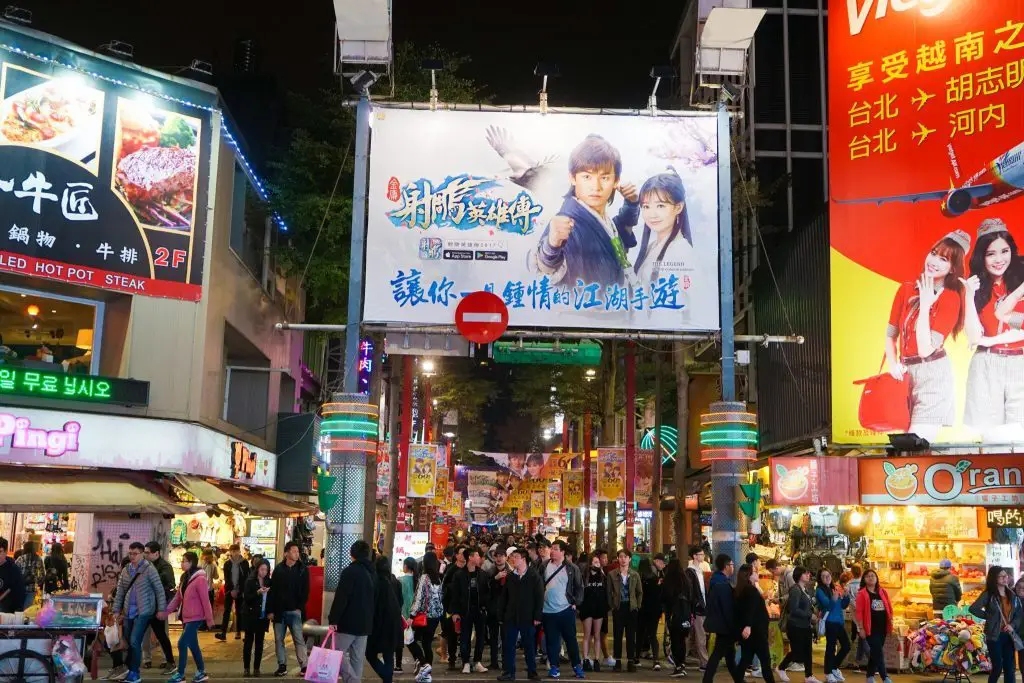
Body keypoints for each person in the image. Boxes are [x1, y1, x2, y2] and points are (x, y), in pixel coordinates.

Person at [883, 230, 969, 442]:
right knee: (902, 447)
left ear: (952, 268)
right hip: (903, 375)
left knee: (916, 445)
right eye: (933, 253)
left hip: (933, 377)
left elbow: (926, 349)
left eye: (944, 259)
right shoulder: (905, 289)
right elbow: (890, 335)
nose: (934, 261)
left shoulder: (951, 298)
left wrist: (925, 306)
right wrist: (893, 364)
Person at [523, 134, 640, 288]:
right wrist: (552, 245)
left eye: (604, 178)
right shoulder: (567, 221)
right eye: (587, 177)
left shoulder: (602, 218)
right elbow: (546, 270)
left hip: (615, 303)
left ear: (616, 181)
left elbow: (615, 239)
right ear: (573, 178)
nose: (596, 186)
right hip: (588, 308)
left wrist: (631, 204)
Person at [960, 219, 1024, 441]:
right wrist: (968, 295)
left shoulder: (1021, 279)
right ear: (981, 257)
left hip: (1021, 363)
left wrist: (993, 338)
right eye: (991, 254)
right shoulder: (975, 287)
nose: (999, 260)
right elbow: (974, 336)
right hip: (987, 365)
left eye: (1004, 251)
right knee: (991, 440)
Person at [112, 542, 168, 683]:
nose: (132, 556)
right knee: (128, 642)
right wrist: (116, 610)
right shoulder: (126, 570)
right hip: (128, 612)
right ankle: (129, 670)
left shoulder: (150, 569)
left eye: (135, 553)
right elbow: (120, 592)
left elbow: (159, 590)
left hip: (144, 612)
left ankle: (135, 673)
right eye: (130, 553)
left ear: (142, 553)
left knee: (135, 641)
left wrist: (161, 609)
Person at [633, 169, 696, 284]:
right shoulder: (652, 246)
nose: (652, 214)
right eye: (646, 207)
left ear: (678, 207)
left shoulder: (682, 251)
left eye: (660, 206)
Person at [327, 540, 376, 683]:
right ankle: (355, 679)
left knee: (336, 654)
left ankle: (353, 681)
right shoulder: (372, 573)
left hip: (348, 623)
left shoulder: (349, 572)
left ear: (351, 554)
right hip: (365, 624)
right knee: (357, 660)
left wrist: (333, 619)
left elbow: (341, 598)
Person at [164, 551, 215, 683]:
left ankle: (180, 674)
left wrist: (209, 619)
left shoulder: (200, 579)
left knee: (182, 643)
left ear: (191, 562)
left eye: (184, 560)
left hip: (196, 618)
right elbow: (177, 598)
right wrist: (165, 611)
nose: (182, 563)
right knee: (193, 645)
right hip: (186, 617)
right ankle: (201, 672)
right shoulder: (185, 578)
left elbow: (205, 600)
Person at [497, 547, 544, 682]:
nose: (513, 559)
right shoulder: (511, 577)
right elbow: (504, 597)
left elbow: (539, 598)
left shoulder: (534, 576)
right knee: (509, 645)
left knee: (529, 646)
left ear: (523, 559)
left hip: (528, 617)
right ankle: (508, 672)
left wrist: (537, 617)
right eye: (512, 557)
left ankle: (532, 672)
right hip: (511, 617)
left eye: (516, 557)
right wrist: (501, 615)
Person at [969, 566, 1023, 683]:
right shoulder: (988, 595)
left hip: (1008, 635)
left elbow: (1018, 614)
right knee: (997, 667)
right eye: (1002, 576)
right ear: (995, 578)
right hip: (994, 636)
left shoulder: (1012, 595)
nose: (1005, 578)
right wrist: (989, 616)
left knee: (1010, 668)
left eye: (1006, 576)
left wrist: (1012, 625)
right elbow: (973, 608)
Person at [541, 540, 585, 679]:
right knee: (552, 641)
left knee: (570, 640)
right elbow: (537, 585)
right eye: (551, 549)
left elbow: (579, 587)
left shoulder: (572, 568)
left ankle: (577, 666)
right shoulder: (543, 566)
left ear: (563, 552)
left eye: (555, 549)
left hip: (566, 610)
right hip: (547, 611)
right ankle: (554, 666)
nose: (552, 551)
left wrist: (575, 602)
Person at [270, 541, 310, 677]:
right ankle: (282, 666)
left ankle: (304, 666)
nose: (296, 554)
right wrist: (271, 610)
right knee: (278, 640)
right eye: (293, 551)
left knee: (298, 639)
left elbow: (306, 591)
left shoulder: (302, 570)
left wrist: (299, 608)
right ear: (286, 553)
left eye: (298, 551)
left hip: (295, 611)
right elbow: (272, 591)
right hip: (279, 611)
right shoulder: (278, 569)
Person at [734, 563, 777, 683]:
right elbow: (750, 610)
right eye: (754, 571)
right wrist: (748, 626)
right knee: (765, 661)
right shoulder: (750, 590)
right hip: (756, 631)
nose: (757, 572)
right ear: (748, 575)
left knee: (746, 659)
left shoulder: (743, 589)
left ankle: (738, 680)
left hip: (752, 631)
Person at [450, 547, 490, 673]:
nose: (479, 558)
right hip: (464, 610)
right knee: (465, 637)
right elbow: (455, 595)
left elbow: (487, 593)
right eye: (477, 555)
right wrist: (454, 612)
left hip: (480, 610)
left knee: (480, 637)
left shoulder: (482, 574)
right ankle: (466, 662)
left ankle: (477, 661)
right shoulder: (459, 575)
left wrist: (485, 607)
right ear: (471, 558)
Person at [776, 566, 817, 683]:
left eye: (808, 573)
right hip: (796, 626)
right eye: (805, 573)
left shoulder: (805, 589)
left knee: (808, 651)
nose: (808, 575)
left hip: (805, 625)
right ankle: (781, 667)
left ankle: (809, 676)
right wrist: (809, 615)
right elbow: (793, 609)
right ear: (799, 575)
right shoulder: (795, 589)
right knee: (797, 652)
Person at [366, 556, 403, 683]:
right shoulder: (394, 581)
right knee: (388, 655)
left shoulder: (375, 581)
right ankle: (387, 678)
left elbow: (373, 604)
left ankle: (386, 677)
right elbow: (400, 601)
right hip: (394, 623)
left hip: (380, 624)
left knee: (370, 654)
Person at [141, 542, 177, 673]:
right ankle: (147, 659)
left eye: (147, 552)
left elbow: (170, 585)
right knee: (145, 633)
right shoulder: (144, 565)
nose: (145, 555)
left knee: (162, 634)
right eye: (144, 552)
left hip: (159, 606)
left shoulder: (165, 567)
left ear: (157, 553)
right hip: (146, 605)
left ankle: (166, 660)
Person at [702, 554, 738, 683]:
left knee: (729, 657)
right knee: (717, 655)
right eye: (732, 565)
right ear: (727, 566)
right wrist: (732, 627)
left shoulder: (716, 579)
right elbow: (726, 608)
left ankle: (739, 680)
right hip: (724, 625)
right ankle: (707, 680)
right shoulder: (722, 583)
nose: (733, 567)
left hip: (720, 624)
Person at [409, 552, 445, 683]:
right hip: (435, 617)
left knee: (410, 639)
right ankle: (427, 672)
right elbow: (440, 596)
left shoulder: (424, 577)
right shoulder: (438, 578)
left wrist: (412, 615)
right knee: (427, 643)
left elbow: (419, 598)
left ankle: (424, 665)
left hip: (424, 616)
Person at [854, 570, 893, 683]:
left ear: (876, 578)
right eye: (867, 576)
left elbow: (889, 607)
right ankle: (885, 677)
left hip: (882, 628)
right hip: (870, 629)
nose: (870, 578)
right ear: (864, 580)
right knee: (878, 652)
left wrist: (891, 620)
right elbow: (859, 612)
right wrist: (861, 628)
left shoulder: (882, 592)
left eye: (873, 576)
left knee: (876, 652)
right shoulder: (862, 593)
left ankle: (870, 676)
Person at [606, 549, 642, 672]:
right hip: (618, 607)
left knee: (631, 636)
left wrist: (637, 606)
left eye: (625, 557)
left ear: (629, 559)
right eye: (620, 556)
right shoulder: (612, 574)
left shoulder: (635, 574)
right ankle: (618, 661)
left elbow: (639, 592)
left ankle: (631, 661)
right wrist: (613, 606)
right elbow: (608, 593)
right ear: (618, 559)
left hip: (631, 608)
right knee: (617, 635)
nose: (623, 559)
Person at [663, 558, 698, 678]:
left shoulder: (669, 580)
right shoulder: (686, 580)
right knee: (682, 640)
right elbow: (692, 598)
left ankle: (678, 667)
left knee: (675, 641)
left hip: (675, 614)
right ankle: (682, 665)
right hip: (686, 614)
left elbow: (665, 597)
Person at [817, 569, 851, 683]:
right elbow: (827, 605)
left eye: (828, 575)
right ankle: (828, 672)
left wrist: (846, 596)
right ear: (820, 579)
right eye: (823, 576)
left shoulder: (834, 588)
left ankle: (833, 667)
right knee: (830, 648)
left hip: (839, 621)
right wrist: (834, 598)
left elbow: (843, 605)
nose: (827, 577)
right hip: (829, 622)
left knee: (846, 646)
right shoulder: (819, 590)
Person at [242, 559, 273, 678]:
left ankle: (256, 668)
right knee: (248, 642)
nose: (264, 572)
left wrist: (270, 611)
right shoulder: (250, 581)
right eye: (262, 569)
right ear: (257, 569)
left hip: (262, 616)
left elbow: (271, 598)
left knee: (260, 643)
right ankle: (246, 668)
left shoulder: (268, 582)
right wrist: (258, 592)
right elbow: (247, 598)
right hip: (250, 615)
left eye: (266, 569)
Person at [579, 553, 609, 672]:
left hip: (599, 609)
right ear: (590, 563)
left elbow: (605, 593)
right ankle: (585, 659)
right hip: (587, 609)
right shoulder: (584, 576)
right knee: (587, 635)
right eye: (595, 562)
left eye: (598, 562)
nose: (597, 564)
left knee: (597, 635)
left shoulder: (602, 576)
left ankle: (596, 660)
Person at [216, 543, 250, 641]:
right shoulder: (227, 563)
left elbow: (245, 578)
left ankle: (238, 632)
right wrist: (231, 590)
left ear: (239, 551)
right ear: (230, 552)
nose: (234, 553)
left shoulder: (244, 563)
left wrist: (240, 590)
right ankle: (223, 633)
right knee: (227, 611)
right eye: (233, 551)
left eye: (236, 551)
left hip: (240, 590)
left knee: (239, 611)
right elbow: (227, 578)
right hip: (229, 590)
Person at [637, 556, 664, 670]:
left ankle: (636, 658)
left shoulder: (639, 578)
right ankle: (656, 661)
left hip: (642, 610)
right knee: (652, 635)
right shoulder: (656, 579)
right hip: (654, 611)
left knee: (640, 634)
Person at [487, 546, 510, 671]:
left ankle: (506, 662)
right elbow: (486, 589)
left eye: (502, 556)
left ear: (506, 557)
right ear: (494, 557)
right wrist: (495, 579)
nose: (499, 558)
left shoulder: (511, 572)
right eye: (497, 556)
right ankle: (493, 661)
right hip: (493, 609)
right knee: (493, 637)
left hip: (506, 610)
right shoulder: (490, 572)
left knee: (506, 638)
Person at [687, 545, 710, 669]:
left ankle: (676, 657)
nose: (703, 556)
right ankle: (704, 662)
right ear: (695, 556)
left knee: (695, 635)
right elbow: (692, 592)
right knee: (700, 635)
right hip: (697, 609)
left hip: (701, 606)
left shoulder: (700, 570)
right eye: (701, 554)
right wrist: (696, 604)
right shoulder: (690, 571)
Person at [399, 557, 419, 672]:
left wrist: (405, 615)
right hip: (416, 615)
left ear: (406, 566)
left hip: (404, 615)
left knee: (407, 640)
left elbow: (404, 600)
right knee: (411, 639)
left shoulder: (401, 580)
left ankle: (419, 659)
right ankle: (418, 659)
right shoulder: (417, 579)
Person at [14, 541, 43, 608]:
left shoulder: (20, 558)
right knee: (26, 610)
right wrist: (36, 582)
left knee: (18, 608)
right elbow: (42, 576)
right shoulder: (38, 559)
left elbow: (14, 573)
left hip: (20, 588)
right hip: (31, 589)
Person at [0, 537, 25, 614]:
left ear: (6, 552)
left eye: (0, 551)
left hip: (7, 610)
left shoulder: (13, 569)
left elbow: (17, 591)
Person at [199, 550, 219, 629]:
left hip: (202, 589)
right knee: (208, 608)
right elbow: (216, 576)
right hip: (209, 589)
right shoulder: (213, 564)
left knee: (202, 607)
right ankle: (208, 625)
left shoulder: (200, 564)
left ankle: (202, 625)